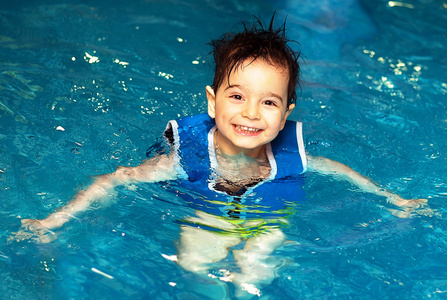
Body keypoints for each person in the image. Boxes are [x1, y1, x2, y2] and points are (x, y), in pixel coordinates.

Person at [13, 15, 427, 297]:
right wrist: (56, 220)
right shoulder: (187, 156)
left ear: (286, 114)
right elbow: (117, 179)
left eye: (268, 102)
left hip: (270, 216)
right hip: (207, 209)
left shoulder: (288, 158)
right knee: (196, 262)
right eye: (236, 97)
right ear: (213, 103)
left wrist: (393, 200)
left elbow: (340, 171)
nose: (250, 112)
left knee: (255, 273)